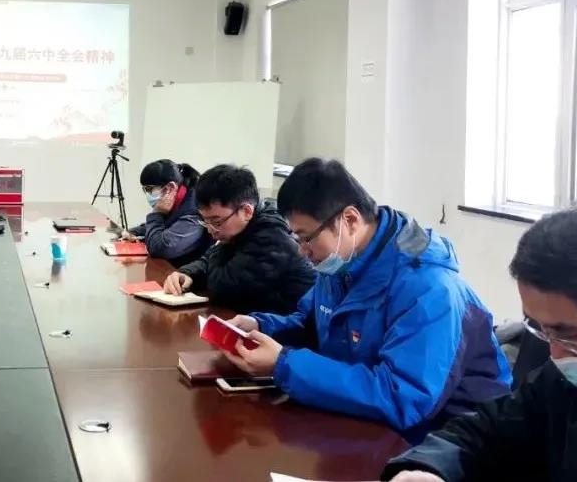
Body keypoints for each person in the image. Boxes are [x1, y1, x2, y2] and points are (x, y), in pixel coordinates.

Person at [224, 158, 511, 436]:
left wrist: (284, 364)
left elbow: (403, 397)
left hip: (448, 439)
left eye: (306, 237)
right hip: (368, 420)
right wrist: (262, 328)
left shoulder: (430, 289)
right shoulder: (340, 262)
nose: (302, 250)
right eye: (296, 238)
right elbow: (312, 324)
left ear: (349, 219)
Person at [382, 205, 577, 482]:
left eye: (571, 335)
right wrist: (427, 468)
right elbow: (489, 429)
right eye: (540, 329)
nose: (555, 354)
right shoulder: (564, 379)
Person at [162, 164, 315, 314]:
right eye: (205, 221)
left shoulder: (271, 237)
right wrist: (187, 273)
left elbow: (223, 289)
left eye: (216, 222)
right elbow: (209, 260)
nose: (210, 229)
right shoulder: (240, 229)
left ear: (246, 211)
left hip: (293, 325)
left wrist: (220, 246)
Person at [119, 159, 212, 266]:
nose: (147, 194)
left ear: (170, 187)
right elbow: (164, 225)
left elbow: (160, 249)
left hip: (184, 273)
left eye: (149, 189)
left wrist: (157, 213)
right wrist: (132, 233)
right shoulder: (178, 198)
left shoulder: (193, 212)